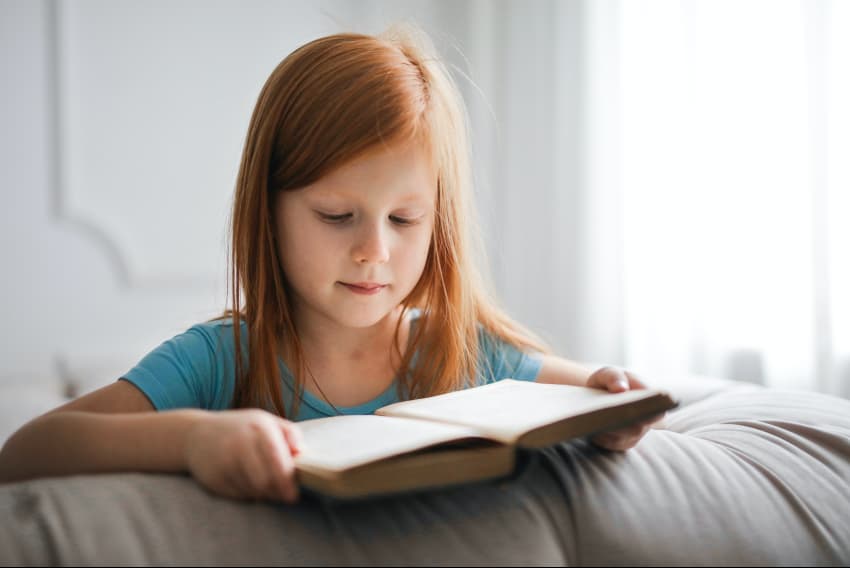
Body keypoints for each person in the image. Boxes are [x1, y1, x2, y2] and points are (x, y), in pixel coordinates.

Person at [0, 24, 661, 503]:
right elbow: (24, 453)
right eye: (336, 216)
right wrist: (193, 439)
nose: (375, 249)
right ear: (270, 210)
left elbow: (595, 393)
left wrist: (612, 407)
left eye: (405, 220)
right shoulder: (218, 360)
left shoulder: (453, 348)